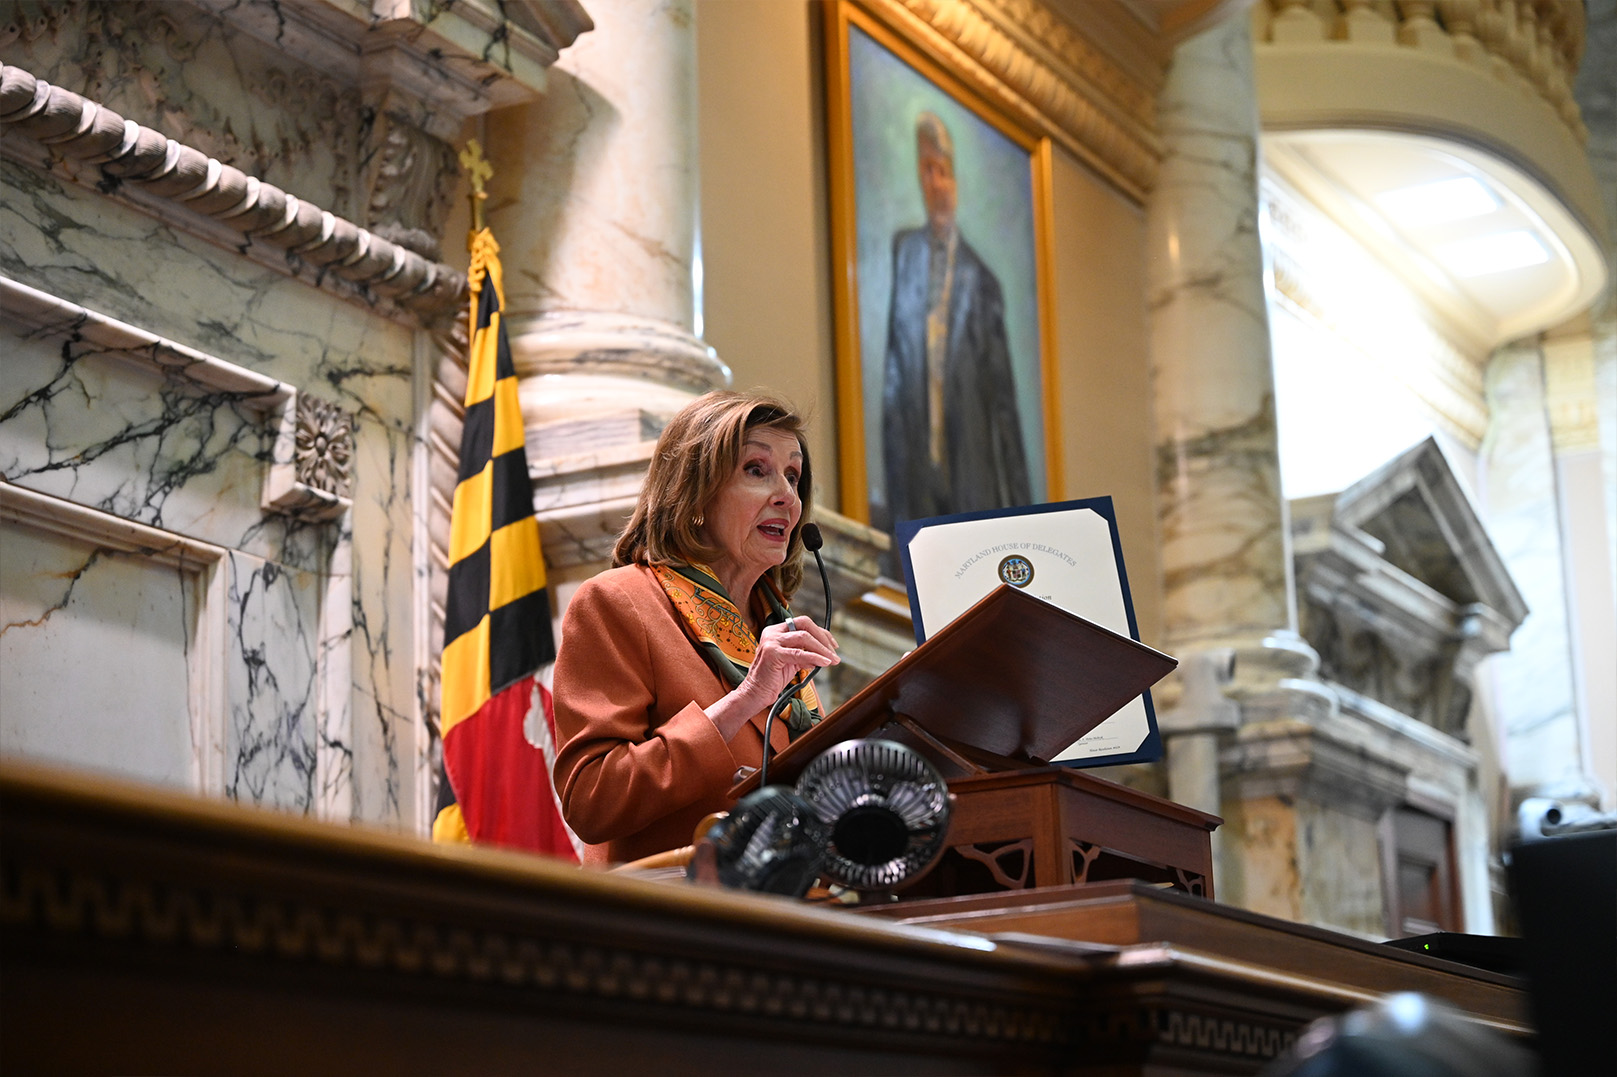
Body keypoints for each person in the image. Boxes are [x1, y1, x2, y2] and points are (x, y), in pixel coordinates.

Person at [551, 390, 841, 867]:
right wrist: (742, 701)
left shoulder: (776, 623)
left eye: (792, 475)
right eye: (756, 469)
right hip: (664, 919)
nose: (787, 496)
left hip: (784, 916)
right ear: (696, 493)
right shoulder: (619, 602)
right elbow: (592, 799)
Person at [881, 110, 1032, 531]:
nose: (935, 184)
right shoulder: (904, 253)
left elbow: (1005, 412)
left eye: (943, 172)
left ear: (957, 181)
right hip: (916, 480)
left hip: (970, 478)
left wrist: (1029, 516)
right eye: (926, 171)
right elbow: (894, 376)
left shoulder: (984, 284)